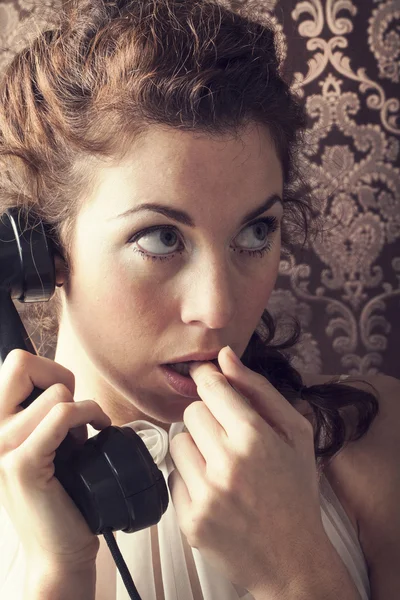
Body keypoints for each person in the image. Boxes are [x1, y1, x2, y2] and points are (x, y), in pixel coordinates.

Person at [0, 0, 398, 599]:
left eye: (255, 232)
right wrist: (55, 572)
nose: (217, 310)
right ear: (44, 254)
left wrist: (295, 568)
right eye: (161, 239)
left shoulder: (377, 440)